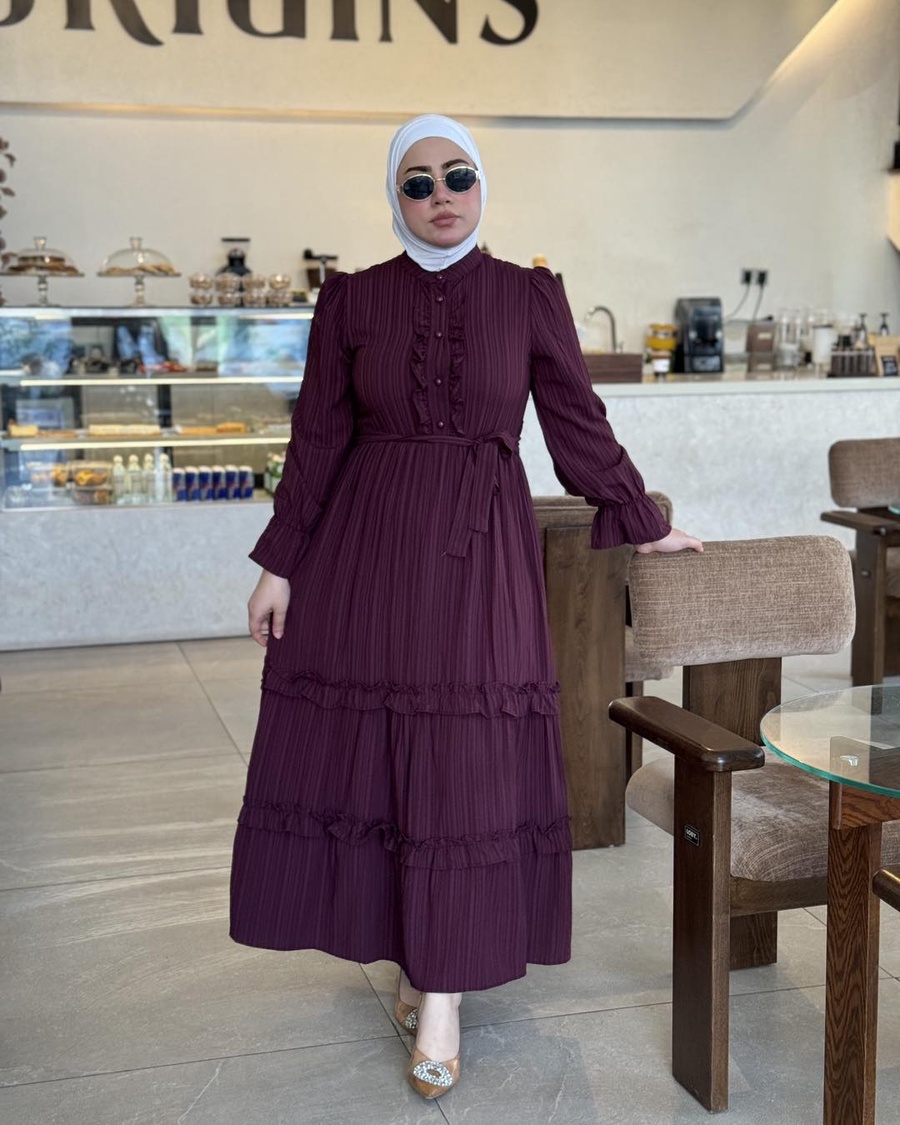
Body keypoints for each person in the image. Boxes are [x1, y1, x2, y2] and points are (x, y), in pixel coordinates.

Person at [230, 113, 702, 1101]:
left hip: (481, 552)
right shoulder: (352, 299)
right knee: (380, 758)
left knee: (463, 760)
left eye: (458, 176)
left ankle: (442, 988)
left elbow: (574, 419)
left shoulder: (528, 296)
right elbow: (316, 437)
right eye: (417, 182)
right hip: (365, 553)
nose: (440, 195)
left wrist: (640, 516)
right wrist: (280, 563)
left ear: (482, 186)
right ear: (393, 198)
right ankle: (417, 957)